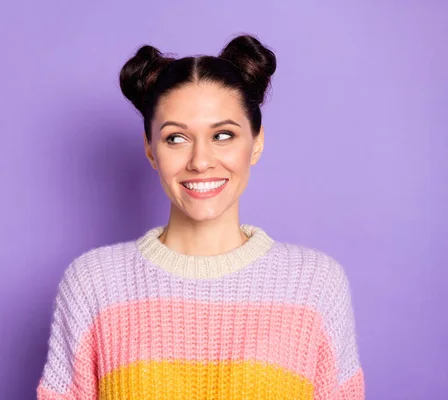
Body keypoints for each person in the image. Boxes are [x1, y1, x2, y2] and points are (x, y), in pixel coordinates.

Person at [36, 34, 365, 399]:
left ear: (256, 143)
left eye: (223, 135)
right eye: (176, 139)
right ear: (150, 150)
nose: (200, 161)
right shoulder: (93, 284)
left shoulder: (315, 286)